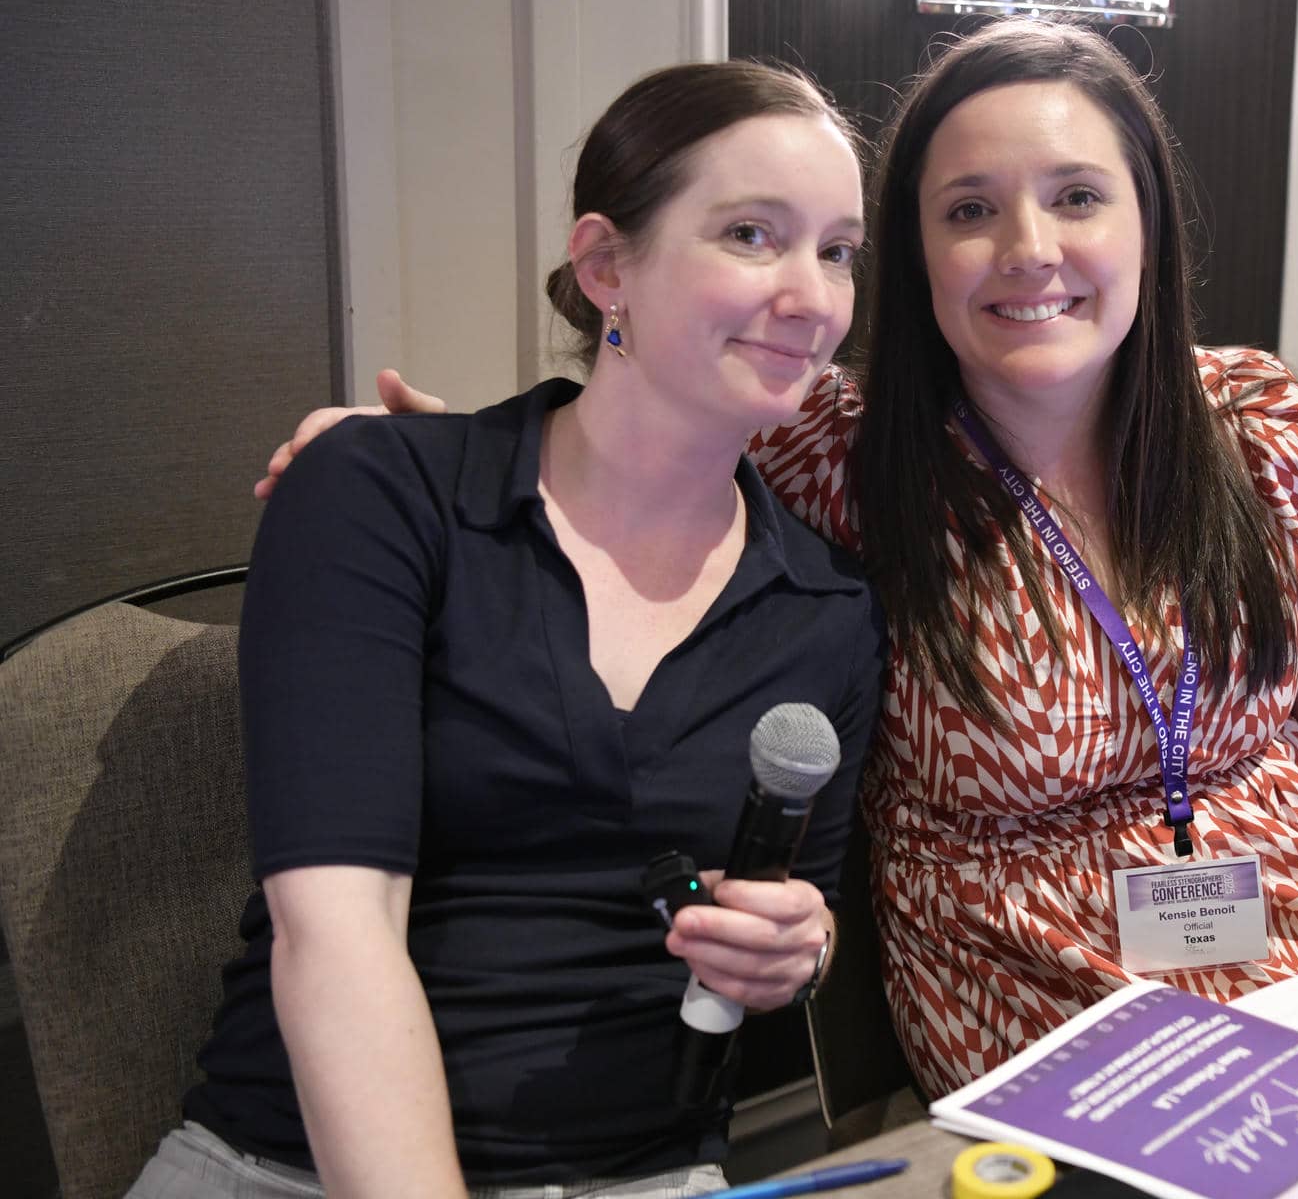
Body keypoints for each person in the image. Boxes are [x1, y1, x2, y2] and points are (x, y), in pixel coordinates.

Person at [257, 19, 1298, 1102]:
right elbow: (631, 432)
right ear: (918, 257)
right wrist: (422, 456)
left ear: (1148, 224)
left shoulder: (1258, 426)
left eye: (1079, 197)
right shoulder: (842, 453)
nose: (1030, 248)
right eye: (970, 211)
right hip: (1064, 1003)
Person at [144, 62, 886, 1197]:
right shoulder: (380, 492)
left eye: (837, 250)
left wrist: (796, 947)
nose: (813, 296)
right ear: (606, 267)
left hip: (640, 1171)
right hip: (294, 1164)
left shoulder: (828, 608)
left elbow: (806, 906)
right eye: (752, 234)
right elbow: (334, 930)